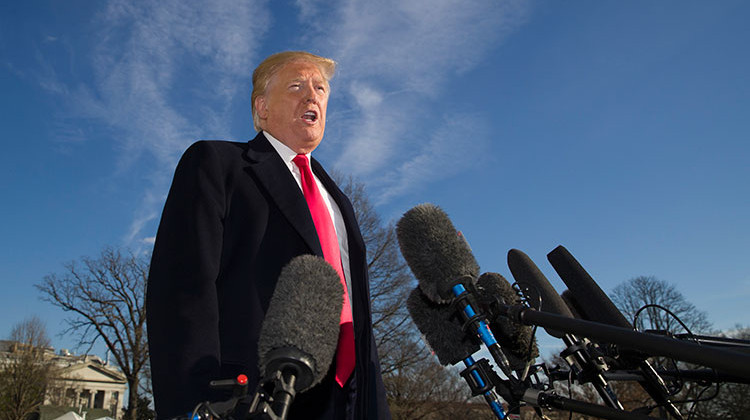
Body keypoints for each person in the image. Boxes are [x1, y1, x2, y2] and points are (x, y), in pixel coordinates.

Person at [146, 51, 391, 419]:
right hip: (251, 401)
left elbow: (358, 320)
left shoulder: (340, 202)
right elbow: (183, 292)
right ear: (262, 108)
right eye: (297, 86)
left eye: (320, 89)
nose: (312, 97)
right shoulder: (216, 165)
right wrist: (196, 407)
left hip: (347, 403)